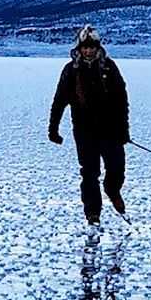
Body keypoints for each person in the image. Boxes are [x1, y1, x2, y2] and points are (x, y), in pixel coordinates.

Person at [48, 25, 130, 225]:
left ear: (98, 47)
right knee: (89, 171)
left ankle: (112, 189)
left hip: (109, 128)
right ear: (79, 48)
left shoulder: (109, 67)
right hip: (84, 129)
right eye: (85, 47)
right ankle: (93, 212)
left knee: (117, 166)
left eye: (92, 47)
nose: (88, 51)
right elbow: (60, 100)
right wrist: (53, 128)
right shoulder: (71, 71)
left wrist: (123, 129)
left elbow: (121, 99)